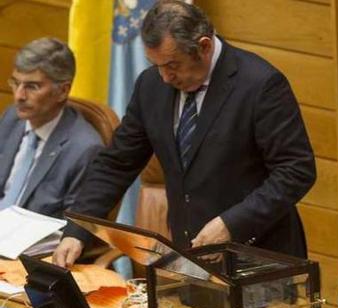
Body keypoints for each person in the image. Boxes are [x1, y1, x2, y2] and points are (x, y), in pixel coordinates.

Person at [53, 0, 315, 266]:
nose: (166, 77)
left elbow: (296, 171)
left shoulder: (260, 84)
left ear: (204, 46)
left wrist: (232, 223)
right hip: (190, 256)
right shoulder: (150, 86)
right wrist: (77, 229)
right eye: (157, 65)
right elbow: (116, 164)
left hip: (260, 256)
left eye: (172, 65)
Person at [0, 37, 102, 218]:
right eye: (16, 83)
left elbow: (73, 226)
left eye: (32, 86)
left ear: (63, 91)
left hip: (32, 243)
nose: (19, 96)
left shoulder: (84, 149)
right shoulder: (11, 119)